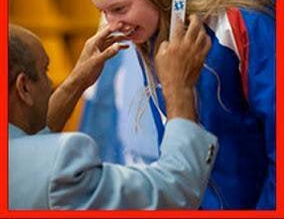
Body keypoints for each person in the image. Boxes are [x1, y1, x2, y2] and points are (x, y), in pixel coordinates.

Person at [79, 0, 275, 209]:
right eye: (104, 12)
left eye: (119, 9)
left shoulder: (242, 22)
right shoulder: (150, 29)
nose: (112, 25)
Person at [9, 21, 218, 209]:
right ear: (23, 87)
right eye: (45, 71)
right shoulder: (59, 164)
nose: (51, 83)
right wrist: (178, 90)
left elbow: (28, 148)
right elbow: (174, 190)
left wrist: (76, 83)